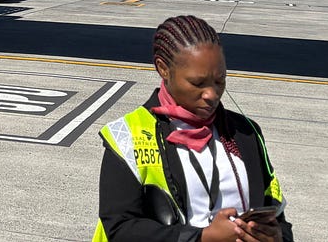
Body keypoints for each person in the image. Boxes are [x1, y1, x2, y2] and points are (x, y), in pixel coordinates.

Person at [93, 15, 292, 242]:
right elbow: (120, 229)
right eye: (197, 83)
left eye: (220, 81)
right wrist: (202, 238)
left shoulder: (246, 133)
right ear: (163, 69)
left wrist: (277, 237)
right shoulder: (126, 136)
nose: (211, 94)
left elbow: (277, 215)